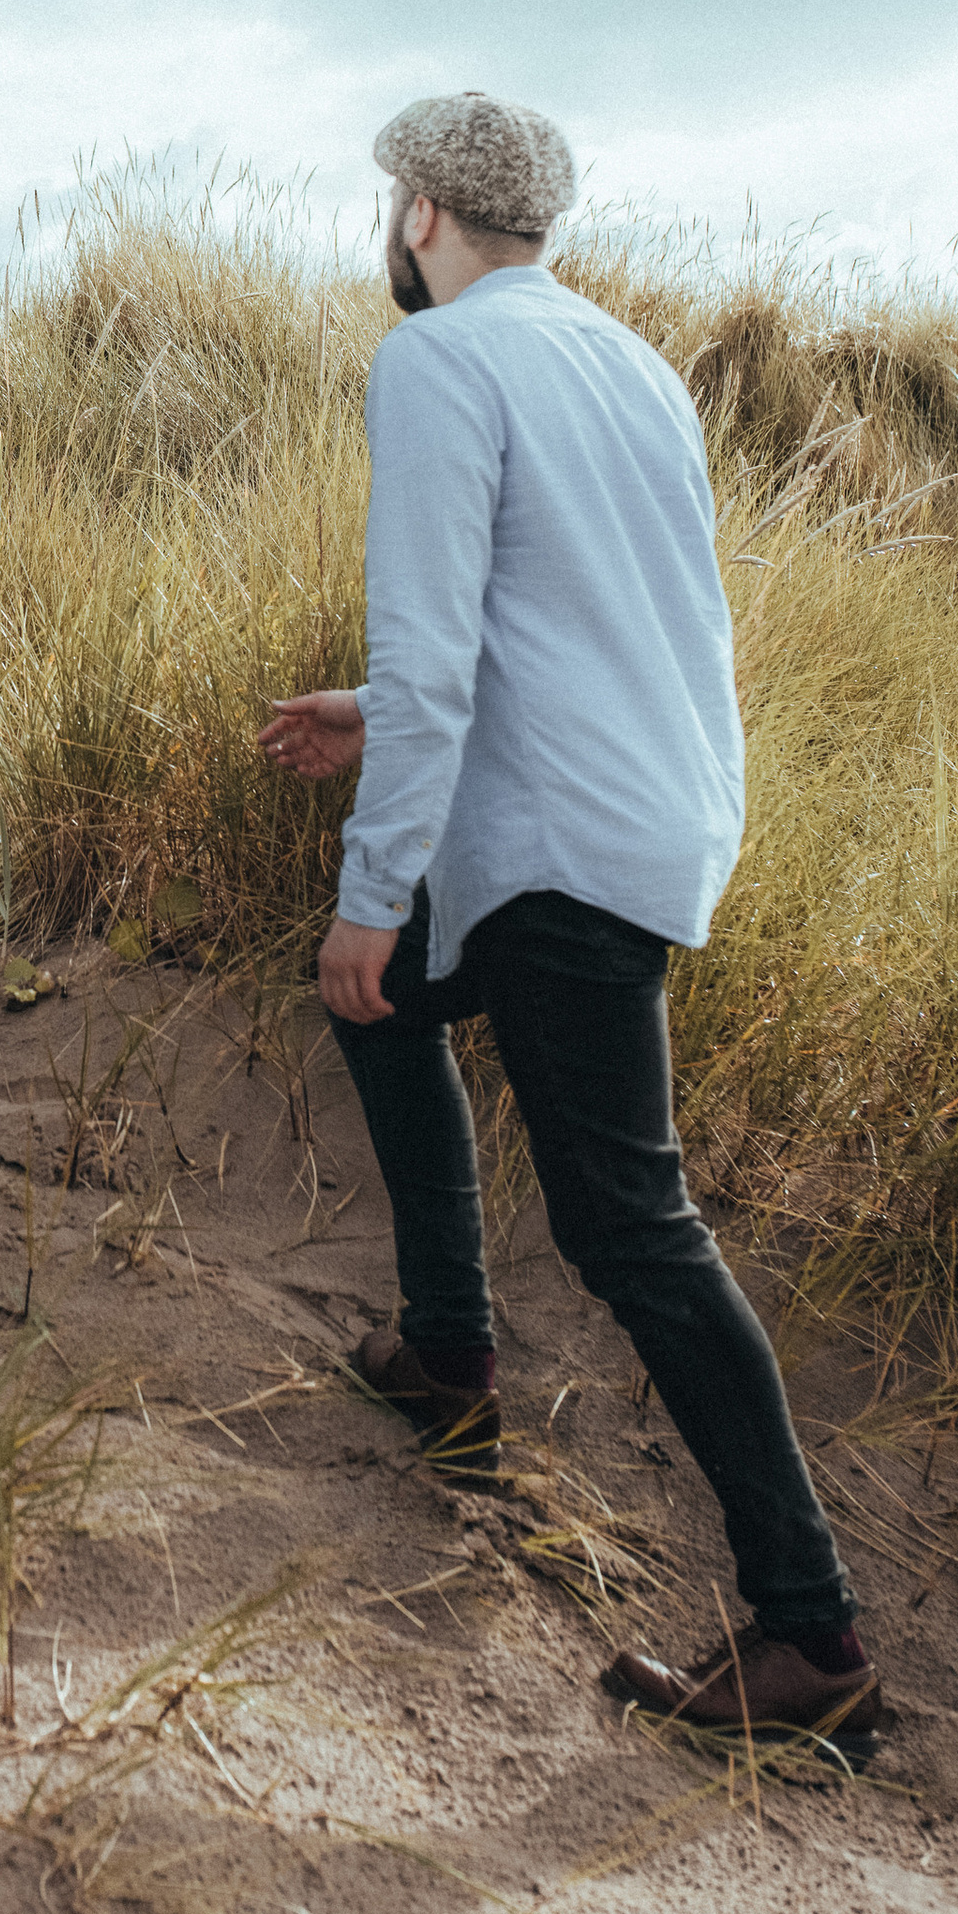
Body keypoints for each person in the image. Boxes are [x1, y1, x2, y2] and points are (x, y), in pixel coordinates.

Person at [258, 92, 879, 1749]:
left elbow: (450, 641)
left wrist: (368, 892)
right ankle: (451, 1353)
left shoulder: (438, 361)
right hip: (640, 812)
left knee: (630, 1226)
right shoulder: (629, 359)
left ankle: (810, 1636)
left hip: (556, 850)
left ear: (418, 217)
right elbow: (578, 627)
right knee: (380, 1009)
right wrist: (374, 716)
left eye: (396, 200)